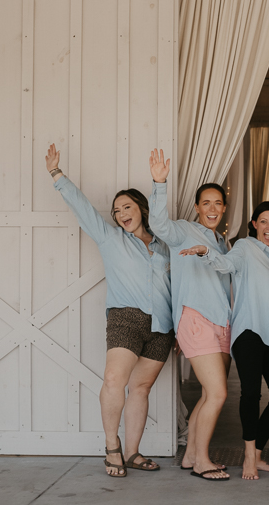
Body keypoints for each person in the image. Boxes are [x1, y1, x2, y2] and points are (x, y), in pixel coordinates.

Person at [45, 144, 173, 478]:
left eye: (127, 207)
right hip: (125, 317)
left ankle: (132, 453)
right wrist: (57, 174)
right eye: (116, 210)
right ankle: (111, 446)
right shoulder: (110, 238)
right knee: (114, 378)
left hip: (162, 324)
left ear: (141, 209)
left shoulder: (163, 245)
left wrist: (159, 183)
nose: (120, 213)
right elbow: (84, 209)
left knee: (140, 389)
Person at [180, 202, 269, 480]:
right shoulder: (245, 247)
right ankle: (249, 459)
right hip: (248, 333)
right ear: (254, 224)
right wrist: (206, 252)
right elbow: (225, 264)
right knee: (251, 394)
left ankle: (255, 454)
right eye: (263, 221)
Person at [148, 148, 230, 481]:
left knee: (211, 393)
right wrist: (160, 183)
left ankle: (191, 456)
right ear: (197, 207)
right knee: (219, 393)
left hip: (221, 324)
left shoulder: (221, 243)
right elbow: (158, 224)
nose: (212, 208)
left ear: (224, 209)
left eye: (217, 203)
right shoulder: (183, 230)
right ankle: (202, 461)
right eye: (206, 203)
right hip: (196, 320)